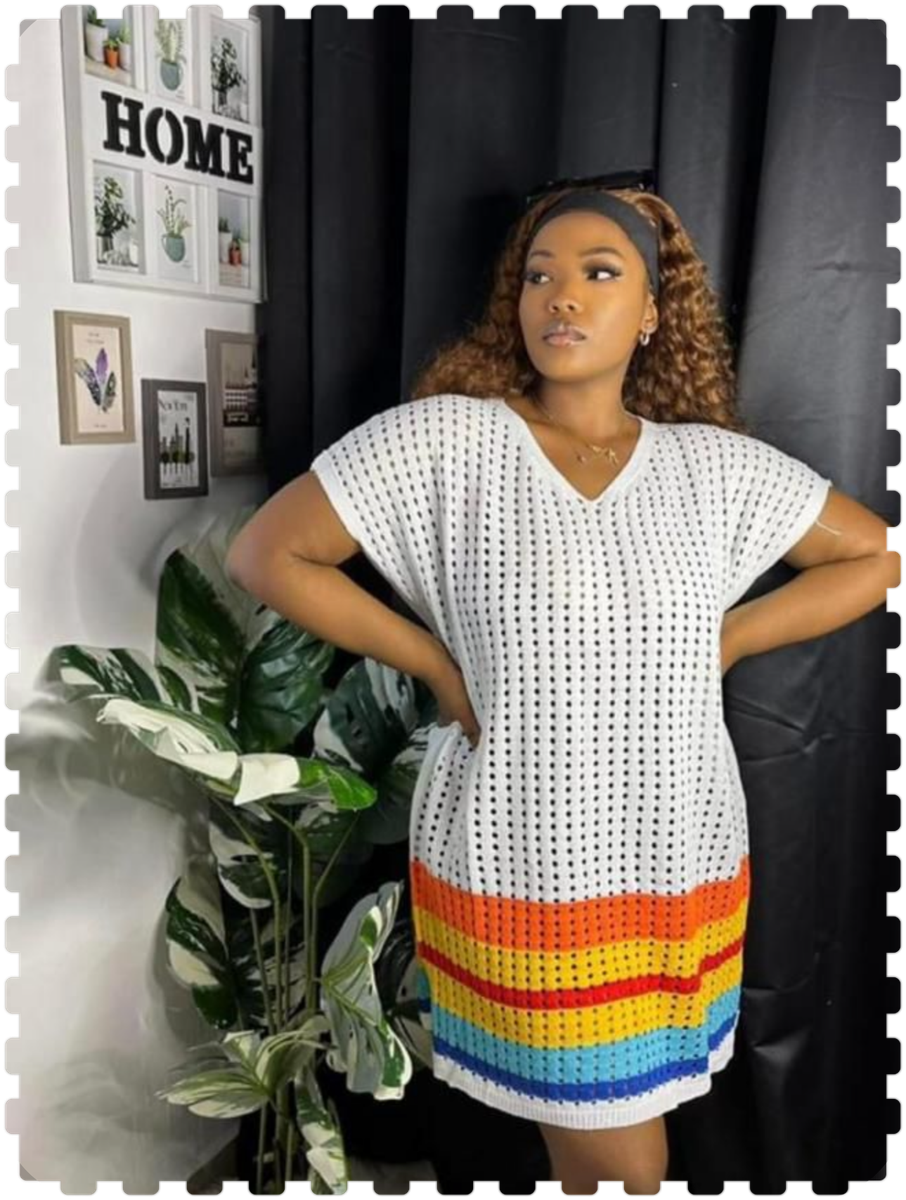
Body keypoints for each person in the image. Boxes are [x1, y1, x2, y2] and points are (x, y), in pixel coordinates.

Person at [224, 183, 898, 1196]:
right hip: (523, 859)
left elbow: (876, 557)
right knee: (621, 1151)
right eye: (539, 276)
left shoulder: (710, 469)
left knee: (607, 1140)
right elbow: (267, 553)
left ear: (654, 311)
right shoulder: (446, 443)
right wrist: (433, 660)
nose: (562, 297)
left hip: (674, 856)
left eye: (598, 273)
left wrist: (729, 637)